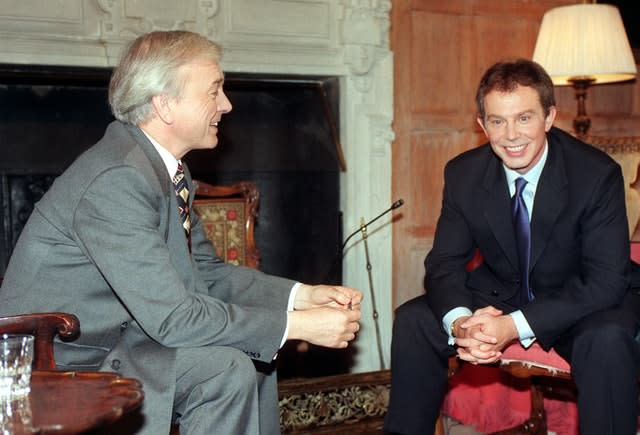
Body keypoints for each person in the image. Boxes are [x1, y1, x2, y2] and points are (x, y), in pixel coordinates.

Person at [0, 30, 363, 435]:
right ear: (165, 104)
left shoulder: (164, 170)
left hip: (115, 339)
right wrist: (296, 326)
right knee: (224, 368)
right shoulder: (118, 178)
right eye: (214, 91)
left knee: (254, 356)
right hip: (56, 361)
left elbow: (207, 274)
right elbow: (174, 318)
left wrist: (302, 296)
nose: (226, 105)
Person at [384, 59, 640, 435]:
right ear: (482, 124)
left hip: (583, 297)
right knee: (414, 319)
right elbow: (443, 263)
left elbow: (604, 282)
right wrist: (459, 322)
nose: (511, 135)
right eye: (497, 121)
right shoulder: (463, 173)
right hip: (504, 290)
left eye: (524, 118)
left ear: (549, 117)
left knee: (605, 340)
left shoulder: (595, 174)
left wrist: (512, 327)